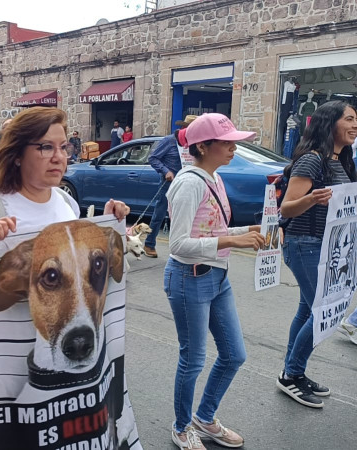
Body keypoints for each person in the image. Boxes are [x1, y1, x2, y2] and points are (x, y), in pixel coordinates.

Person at [163, 113, 265, 449]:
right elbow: (177, 245)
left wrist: (243, 231)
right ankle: (181, 427)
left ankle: (204, 418)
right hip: (189, 277)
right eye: (227, 142)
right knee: (192, 359)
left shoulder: (214, 179)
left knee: (234, 354)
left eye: (235, 141)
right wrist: (232, 241)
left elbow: (211, 231)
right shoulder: (189, 183)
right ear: (203, 146)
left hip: (217, 277)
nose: (234, 148)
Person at [277, 101, 357, 408]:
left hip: (328, 247)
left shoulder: (343, 160)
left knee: (307, 311)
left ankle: (293, 371)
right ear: (330, 123)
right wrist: (312, 199)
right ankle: (291, 374)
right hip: (304, 243)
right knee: (326, 312)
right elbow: (287, 208)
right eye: (349, 119)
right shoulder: (312, 161)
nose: (355, 124)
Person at [0, 106, 128, 243]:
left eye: (63, 147)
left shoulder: (67, 202)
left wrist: (109, 221)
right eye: (46, 147)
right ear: (17, 154)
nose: (59, 158)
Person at [144, 115, 197, 258]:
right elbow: (153, 158)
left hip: (187, 182)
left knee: (186, 215)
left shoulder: (194, 143)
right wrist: (166, 171)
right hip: (169, 182)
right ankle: (149, 243)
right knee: (159, 214)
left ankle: (185, 246)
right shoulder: (169, 141)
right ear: (184, 128)